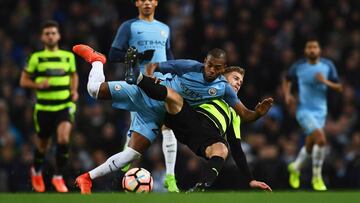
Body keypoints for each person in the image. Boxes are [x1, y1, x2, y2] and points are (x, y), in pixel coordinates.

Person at [72, 44, 273, 193]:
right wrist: (149, 75)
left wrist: (257, 113)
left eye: (216, 67)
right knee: (94, 90)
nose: (212, 70)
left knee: (131, 154)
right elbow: (154, 65)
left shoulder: (223, 90)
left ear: (222, 69)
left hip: (157, 113)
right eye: (210, 65)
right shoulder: (188, 66)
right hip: (146, 92)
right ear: (205, 62)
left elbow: (244, 114)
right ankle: (98, 60)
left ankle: (87, 178)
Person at [108, 0, 178, 192]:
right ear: (137, 3)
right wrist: (137, 57)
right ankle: (125, 163)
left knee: (169, 127)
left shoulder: (164, 28)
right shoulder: (129, 26)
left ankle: (170, 177)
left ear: (156, 3)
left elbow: (168, 55)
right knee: (136, 136)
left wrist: (174, 73)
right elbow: (113, 54)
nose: (147, 2)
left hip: (163, 83)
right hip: (139, 83)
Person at [19, 20, 79, 193]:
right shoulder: (35, 58)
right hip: (44, 107)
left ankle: (58, 176)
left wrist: (74, 91)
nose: (51, 36)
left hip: (64, 105)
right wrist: (38, 85)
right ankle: (36, 171)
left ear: (59, 35)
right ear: (42, 37)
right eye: (47, 33)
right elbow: (23, 81)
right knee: (42, 146)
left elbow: (74, 75)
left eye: (53, 33)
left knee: (63, 139)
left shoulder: (68, 57)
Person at [283, 38, 343, 191]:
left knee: (310, 144)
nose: (312, 50)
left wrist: (325, 82)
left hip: (321, 111)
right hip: (304, 110)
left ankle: (295, 167)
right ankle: (317, 176)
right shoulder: (299, 66)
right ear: (305, 50)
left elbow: (339, 87)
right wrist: (287, 95)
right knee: (321, 140)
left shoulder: (327, 65)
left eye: (314, 47)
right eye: (309, 47)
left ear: (319, 50)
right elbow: (287, 79)